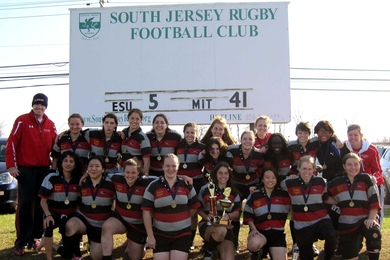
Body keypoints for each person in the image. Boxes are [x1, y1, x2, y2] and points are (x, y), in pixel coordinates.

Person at [6, 93, 57, 256]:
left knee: (41, 205)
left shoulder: (51, 124)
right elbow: (11, 143)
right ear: (33, 105)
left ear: (46, 107)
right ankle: (20, 242)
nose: (39, 107)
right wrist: (11, 166)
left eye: (42, 105)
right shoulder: (22, 120)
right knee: (25, 206)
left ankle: (34, 238)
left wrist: (56, 167)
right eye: (37, 104)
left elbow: (56, 148)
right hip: (26, 170)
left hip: (44, 170)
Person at [142, 153, 200, 260]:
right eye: (167, 166)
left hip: (182, 233)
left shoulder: (186, 184)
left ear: (178, 167)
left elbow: (194, 207)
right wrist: (150, 236)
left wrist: (182, 219)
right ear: (162, 166)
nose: (171, 169)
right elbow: (146, 212)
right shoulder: (153, 186)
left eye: (174, 166)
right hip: (160, 233)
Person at [59, 155, 115, 260]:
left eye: (97, 166)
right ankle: (77, 255)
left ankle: (90, 243)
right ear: (87, 169)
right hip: (84, 219)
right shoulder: (83, 182)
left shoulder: (111, 182)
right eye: (91, 166)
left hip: (100, 225)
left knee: (96, 257)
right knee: (71, 224)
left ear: (103, 169)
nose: (94, 169)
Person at [280, 155, 337, 260]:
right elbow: (273, 187)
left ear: (314, 169)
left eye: (310, 169)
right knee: (306, 257)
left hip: (321, 220)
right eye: (304, 168)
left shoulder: (321, 182)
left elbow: (325, 198)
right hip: (302, 224)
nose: (307, 172)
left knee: (331, 235)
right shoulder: (288, 183)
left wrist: (341, 202)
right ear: (298, 169)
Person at [328, 153, 382, 260]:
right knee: (350, 256)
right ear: (344, 166)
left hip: (364, 219)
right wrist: (336, 202)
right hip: (346, 223)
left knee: (374, 233)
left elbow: (374, 200)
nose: (353, 167)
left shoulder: (366, 179)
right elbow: (322, 194)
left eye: (356, 164)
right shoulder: (337, 182)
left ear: (360, 165)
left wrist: (371, 218)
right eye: (349, 164)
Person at [101, 158, 156, 260]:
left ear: (139, 172)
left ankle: (137, 245)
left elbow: (166, 177)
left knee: (134, 257)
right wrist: (86, 174)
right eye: (127, 172)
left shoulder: (147, 181)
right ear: (123, 171)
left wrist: (183, 177)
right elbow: (100, 173)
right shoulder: (116, 178)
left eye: (133, 172)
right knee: (107, 227)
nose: (130, 175)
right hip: (121, 219)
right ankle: (107, 258)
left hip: (138, 223)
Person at [38, 151, 83, 260]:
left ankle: (51, 244)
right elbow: (43, 201)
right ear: (61, 163)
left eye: (71, 161)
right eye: (65, 161)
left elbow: (81, 200)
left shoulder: (78, 179)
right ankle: (49, 257)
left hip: (70, 216)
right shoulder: (51, 177)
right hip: (54, 214)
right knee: (48, 225)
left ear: (75, 164)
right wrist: (48, 215)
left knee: (67, 255)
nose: (68, 163)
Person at [340, 124, 384, 226]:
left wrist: (374, 178)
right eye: (350, 135)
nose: (353, 138)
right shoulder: (345, 147)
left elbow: (378, 170)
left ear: (361, 135)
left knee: (376, 209)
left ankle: (376, 232)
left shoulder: (371, 149)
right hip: (357, 185)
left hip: (373, 183)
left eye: (355, 135)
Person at [197, 162, 241, 260]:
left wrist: (228, 216)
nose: (223, 176)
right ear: (215, 174)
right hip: (208, 226)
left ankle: (213, 248)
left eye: (226, 173)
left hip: (226, 227)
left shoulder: (234, 192)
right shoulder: (206, 189)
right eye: (220, 173)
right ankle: (208, 253)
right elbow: (198, 208)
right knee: (221, 231)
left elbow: (237, 213)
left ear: (229, 175)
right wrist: (206, 216)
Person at [244, 167, 290, 260]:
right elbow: (247, 213)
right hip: (260, 232)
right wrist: (253, 229)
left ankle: (268, 251)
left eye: (273, 178)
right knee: (254, 244)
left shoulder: (284, 194)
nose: (270, 180)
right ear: (262, 179)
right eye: (267, 177)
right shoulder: (255, 194)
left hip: (277, 234)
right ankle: (258, 253)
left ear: (277, 179)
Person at [176, 122, 206, 248]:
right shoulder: (177, 146)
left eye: (192, 132)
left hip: (197, 182)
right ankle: (180, 237)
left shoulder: (202, 147)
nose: (190, 135)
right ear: (184, 133)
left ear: (196, 133)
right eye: (187, 132)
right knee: (180, 211)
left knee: (193, 212)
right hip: (180, 182)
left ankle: (191, 240)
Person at [121, 109, 152, 174]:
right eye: (132, 118)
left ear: (141, 120)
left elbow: (147, 161)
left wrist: (145, 175)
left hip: (135, 174)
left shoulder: (142, 137)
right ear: (128, 119)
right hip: (122, 172)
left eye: (137, 119)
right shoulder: (123, 134)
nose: (134, 121)